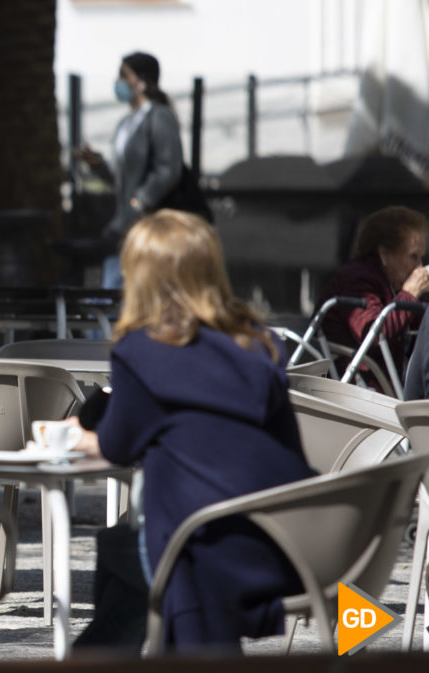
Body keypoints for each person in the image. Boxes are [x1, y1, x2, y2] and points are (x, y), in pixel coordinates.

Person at [69, 210, 315, 652]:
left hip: (201, 549)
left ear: (140, 279)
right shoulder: (259, 342)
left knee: (124, 555)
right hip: (285, 545)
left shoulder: (142, 352)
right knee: (125, 554)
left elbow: (119, 447)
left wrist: (78, 437)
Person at [76, 51, 183, 288]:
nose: (119, 82)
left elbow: (169, 168)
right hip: (123, 223)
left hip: (148, 223)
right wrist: (95, 163)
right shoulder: (126, 123)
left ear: (142, 81)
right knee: (114, 284)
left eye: (125, 76)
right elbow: (119, 176)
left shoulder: (159, 117)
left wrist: (140, 201)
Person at [318, 205, 429, 391]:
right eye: (413, 257)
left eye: (422, 258)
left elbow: (420, 335)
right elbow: (373, 334)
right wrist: (410, 294)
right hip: (353, 390)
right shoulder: (357, 278)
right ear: (384, 253)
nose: (419, 267)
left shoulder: (393, 284)